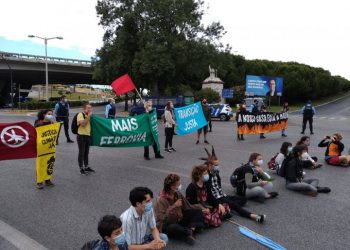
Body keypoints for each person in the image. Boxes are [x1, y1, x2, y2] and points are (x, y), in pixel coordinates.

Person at [202, 146, 266, 223]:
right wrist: (218, 204)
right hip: (216, 198)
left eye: (218, 164)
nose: (217, 166)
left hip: (222, 195)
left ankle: (228, 207)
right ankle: (255, 216)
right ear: (209, 165)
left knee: (243, 200)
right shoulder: (207, 176)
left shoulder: (216, 173)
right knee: (235, 205)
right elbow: (209, 195)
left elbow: (218, 187)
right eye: (216, 165)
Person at [154, 174, 204, 245]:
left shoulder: (177, 194)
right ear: (172, 187)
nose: (180, 185)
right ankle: (190, 231)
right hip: (167, 224)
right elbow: (162, 218)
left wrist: (201, 208)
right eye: (178, 184)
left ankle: (190, 232)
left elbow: (188, 206)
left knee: (197, 211)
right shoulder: (161, 200)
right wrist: (174, 206)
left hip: (179, 219)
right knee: (173, 227)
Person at [34, 109, 56, 189]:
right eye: (49, 114)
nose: (50, 115)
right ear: (44, 115)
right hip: (41, 148)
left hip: (50, 148)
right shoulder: (39, 124)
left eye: (51, 114)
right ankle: (39, 181)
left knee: (50, 164)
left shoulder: (52, 123)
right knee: (40, 165)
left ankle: (47, 180)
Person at [77, 102, 95, 175]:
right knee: (81, 153)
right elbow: (83, 124)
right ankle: (81, 168)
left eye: (90, 108)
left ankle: (86, 166)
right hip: (81, 136)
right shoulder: (80, 115)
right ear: (84, 109)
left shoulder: (89, 115)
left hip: (88, 136)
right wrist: (88, 116)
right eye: (88, 108)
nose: (89, 109)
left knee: (86, 153)